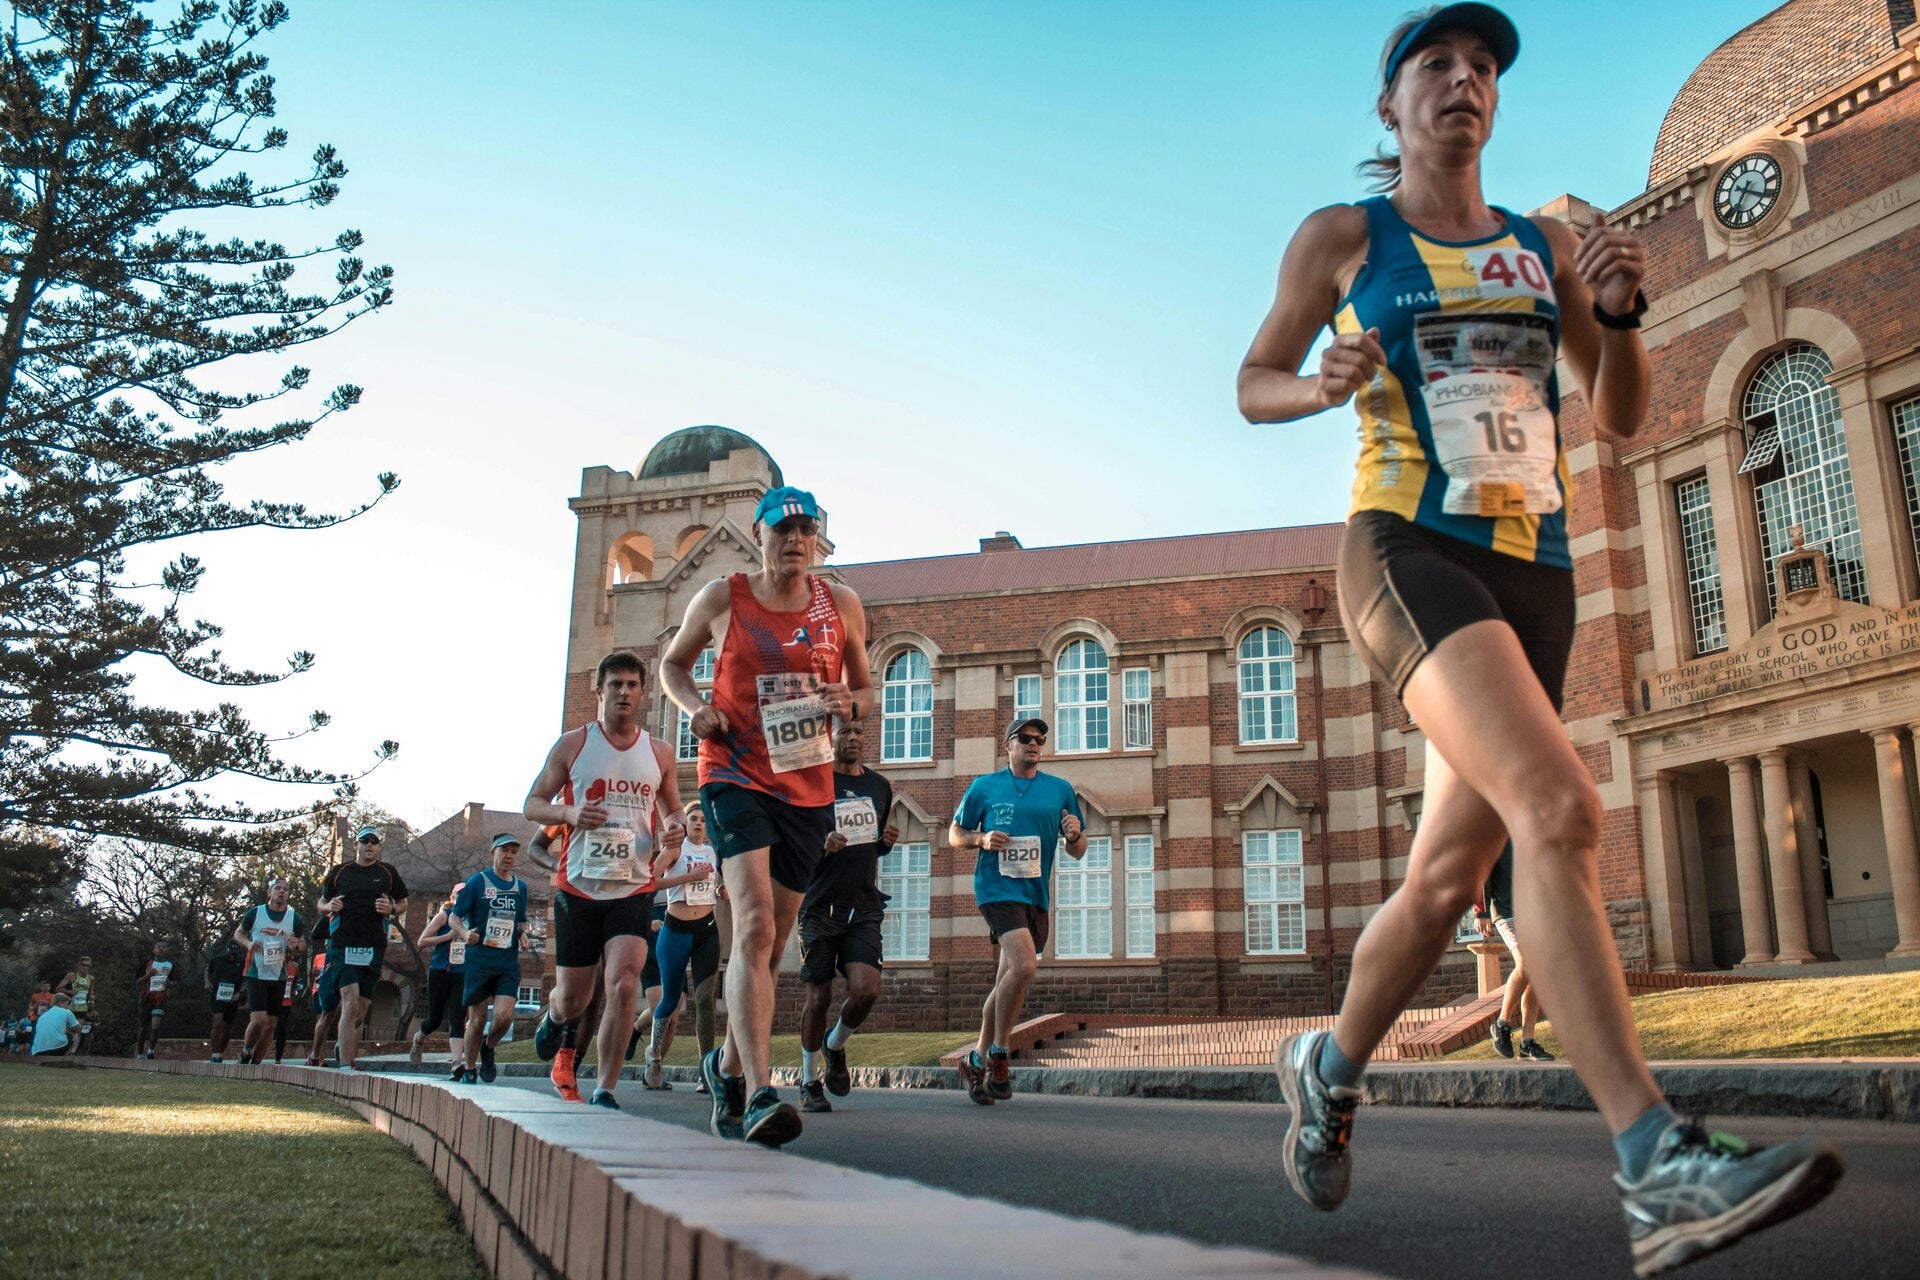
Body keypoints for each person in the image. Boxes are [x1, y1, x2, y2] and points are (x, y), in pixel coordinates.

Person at [1236, 5, 1842, 1271]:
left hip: (1538, 574)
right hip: (1406, 548)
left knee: (1444, 880)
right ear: (1391, 104)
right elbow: (1254, 380)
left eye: (1482, 68)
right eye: (1436, 65)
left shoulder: (1544, 245)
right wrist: (1318, 383)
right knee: (1559, 806)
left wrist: (1618, 315)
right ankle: (1654, 1162)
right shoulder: (1347, 237)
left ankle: (1326, 1064)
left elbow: (1619, 416)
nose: (1464, 81)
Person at [661, 484, 876, 1147]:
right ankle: (759, 1091)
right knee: (753, 924)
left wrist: (849, 703)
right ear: (759, 534)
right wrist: (696, 708)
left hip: (806, 786)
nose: (795, 540)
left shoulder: (840, 605)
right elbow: (672, 666)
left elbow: (866, 690)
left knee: (775, 943)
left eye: (806, 530)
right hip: (734, 775)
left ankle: (726, 1068)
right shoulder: (724, 597)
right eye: (783, 529)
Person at [523, 650, 686, 1108]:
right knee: (575, 1000)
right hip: (579, 886)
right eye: (615, 684)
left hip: (633, 886)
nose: (624, 693)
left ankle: (605, 1089)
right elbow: (532, 804)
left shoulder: (659, 753)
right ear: (600, 691)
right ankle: (555, 1016)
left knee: (623, 984)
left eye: (632, 685)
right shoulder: (573, 745)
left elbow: (673, 808)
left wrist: (674, 826)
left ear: (643, 693)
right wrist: (570, 813)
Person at [948, 716, 1086, 1106]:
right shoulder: (984, 786)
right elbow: (954, 834)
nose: (1034, 744)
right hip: (995, 888)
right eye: (1025, 738)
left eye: (1040, 739)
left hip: (1034, 895)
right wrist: (980, 838)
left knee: (1007, 980)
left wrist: (1074, 835)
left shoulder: (1059, 790)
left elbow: (1077, 849)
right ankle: (998, 1053)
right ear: (1007, 745)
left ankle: (975, 1060)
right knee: (1025, 966)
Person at [797, 718, 898, 1112]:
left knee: (866, 989)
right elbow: (795, 843)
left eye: (859, 731)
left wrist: (885, 843)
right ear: (830, 737)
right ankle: (809, 1080)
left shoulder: (879, 786)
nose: (853, 738)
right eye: (844, 732)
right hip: (819, 905)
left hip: (863, 905)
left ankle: (835, 1044)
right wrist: (821, 843)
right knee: (818, 997)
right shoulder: (813, 783)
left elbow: (871, 845)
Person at [641, 801, 724, 1091]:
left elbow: (712, 885)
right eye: (694, 819)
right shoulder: (676, 849)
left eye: (703, 819)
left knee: (704, 999)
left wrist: (720, 890)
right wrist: (688, 877)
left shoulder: (714, 852)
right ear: (686, 824)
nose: (699, 823)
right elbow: (650, 882)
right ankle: (654, 1057)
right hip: (675, 930)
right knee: (671, 999)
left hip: (707, 931)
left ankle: (706, 1071)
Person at [316, 825, 410, 1070]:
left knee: (361, 1009)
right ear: (356, 845)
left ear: (379, 846)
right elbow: (321, 903)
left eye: (374, 841)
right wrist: (329, 907)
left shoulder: (387, 873)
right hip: (344, 942)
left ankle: (343, 1045)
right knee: (349, 1001)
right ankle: (346, 1065)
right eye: (364, 841)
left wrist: (392, 909)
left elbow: (403, 903)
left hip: (373, 944)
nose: (369, 845)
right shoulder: (340, 872)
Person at [449, 834, 532, 1085]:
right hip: (479, 960)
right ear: (493, 853)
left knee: (504, 1016)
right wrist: (465, 933)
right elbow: (454, 917)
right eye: (504, 850)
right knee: (477, 1020)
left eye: (514, 852)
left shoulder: (520, 887)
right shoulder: (478, 882)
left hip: (506, 962)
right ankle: (469, 1068)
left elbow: (520, 921)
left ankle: (489, 1046)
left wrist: (523, 934)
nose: (509, 856)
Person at [1477, 843, 1551, 1061]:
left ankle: (1527, 1042)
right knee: (1526, 965)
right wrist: (1481, 911)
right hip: (1507, 911)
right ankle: (1502, 1024)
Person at [236, 877, 304, 1066]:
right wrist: (248, 943)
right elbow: (239, 933)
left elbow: (302, 944)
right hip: (256, 973)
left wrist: (297, 945)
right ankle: (246, 1050)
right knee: (258, 1020)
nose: (281, 891)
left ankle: (256, 1064)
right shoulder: (255, 913)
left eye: (285, 889)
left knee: (270, 1025)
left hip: (279, 975)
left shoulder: (294, 918)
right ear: (269, 892)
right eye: (277, 888)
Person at [411, 888, 468, 1073]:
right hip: (440, 971)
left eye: (466, 894)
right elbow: (422, 941)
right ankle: (419, 1039)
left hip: (462, 972)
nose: (463, 897)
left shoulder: (473, 917)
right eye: (459, 894)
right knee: (434, 1020)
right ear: (453, 896)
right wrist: (448, 937)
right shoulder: (445, 915)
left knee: (458, 1018)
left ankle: (456, 1063)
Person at [204, 936, 247, 1063]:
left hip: (233, 997)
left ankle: (220, 1053)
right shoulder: (217, 960)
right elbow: (207, 970)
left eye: (234, 954)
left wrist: (239, 992)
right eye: (230, 954)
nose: (232, 956)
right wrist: (207, 982)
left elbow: (246, 980)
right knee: (217, 1022)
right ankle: (214, 1054)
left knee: (227, 1027)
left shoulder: (242, 962)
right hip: (218, 994)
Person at [304, 912, 338, 1067]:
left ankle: (342, 1051)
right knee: (325, 1017)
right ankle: (317, 1055)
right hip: (324, 981)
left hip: (349, 968)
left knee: (347, 1012)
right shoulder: (333, 915)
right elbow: (316, 933)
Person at [133, 941, 174, 1059]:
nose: (161, 949)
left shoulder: (170, 965)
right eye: (158, 947)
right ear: (154, 950)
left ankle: (151, 1051)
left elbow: (174, 982)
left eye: (164, 947)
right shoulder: (147, 963)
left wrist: (171, 984)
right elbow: (137, 982)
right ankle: (140, 1054)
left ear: (167, 950)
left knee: (156, 1026)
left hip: (160, 999)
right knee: (142, 1028)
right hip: (146, 999)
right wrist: (148, 975)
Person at [55, 956, 96, 1054]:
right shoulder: (72, 976)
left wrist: (92, 997)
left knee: (78, 1030)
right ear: (79, 965)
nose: (85, 967)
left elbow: (91, 992)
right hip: (71, 1008)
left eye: (88, 966)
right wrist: (70, 991)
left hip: (82, 1008)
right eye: (83, 965)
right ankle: (64, 1050)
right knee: (68, 1030)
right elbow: (58, 989)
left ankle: (72, 1053)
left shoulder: (91, 978)